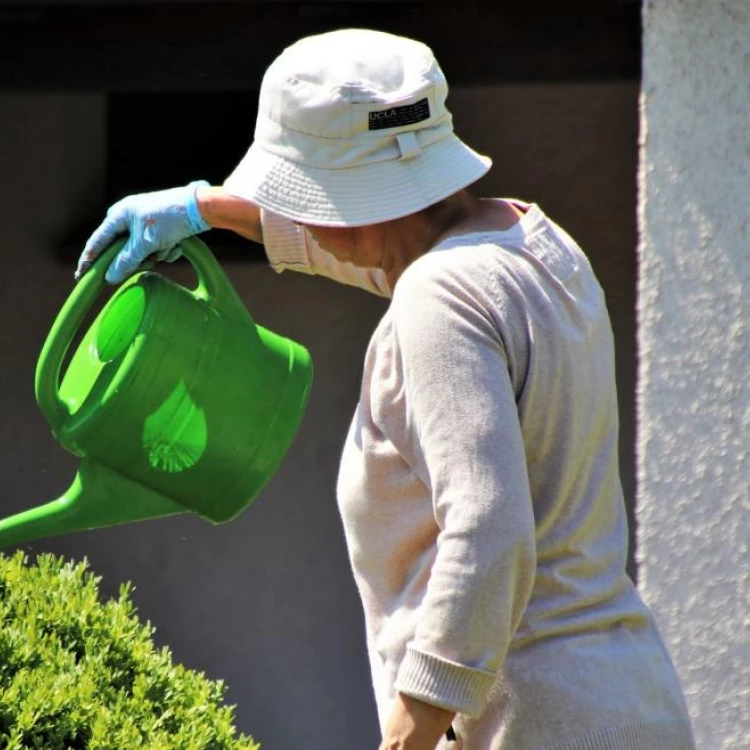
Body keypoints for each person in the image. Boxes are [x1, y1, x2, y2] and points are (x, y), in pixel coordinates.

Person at [76, 28, 695, 750]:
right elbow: (390, 256)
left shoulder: (437, 298)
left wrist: (412, 732)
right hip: (627, 698)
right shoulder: (530, 240)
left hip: (528, 724)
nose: (301, 215)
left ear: (352, 195)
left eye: (303, 194)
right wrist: (208, 209)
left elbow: (490, 531)